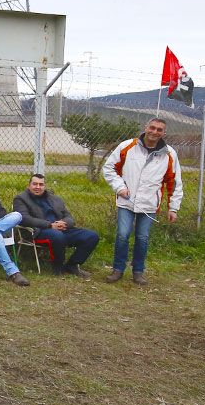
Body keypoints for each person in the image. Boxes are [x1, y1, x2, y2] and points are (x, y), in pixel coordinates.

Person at [102, 117, 183, 285]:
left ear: (164, 133)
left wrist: (173, 208)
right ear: (145, 127)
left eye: (159, 130)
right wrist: (119, 187)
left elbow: (173, 182)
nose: (154, 132)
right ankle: (117, 269)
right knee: (123, 235)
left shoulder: (169, 154)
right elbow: (109, 168)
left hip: (149, 204)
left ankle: (138, 272)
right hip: (126, 200)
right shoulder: (127, 147)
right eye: (152, 128)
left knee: (142, 238)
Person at [12, 173, 99, 279]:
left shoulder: (55, 198)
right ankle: (58, 267)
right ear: (28, 185)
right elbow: (24, 218)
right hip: (39, 231)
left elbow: (69, 216)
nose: (38, 187)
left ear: (45, 186)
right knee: (57, 236)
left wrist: (64, 223)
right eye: (35, 184)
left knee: (91, 236)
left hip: (61, 229)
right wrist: (50, 225)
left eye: (41, 184)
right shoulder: (21, 199)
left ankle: (72, 265)